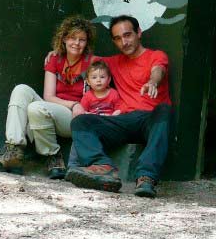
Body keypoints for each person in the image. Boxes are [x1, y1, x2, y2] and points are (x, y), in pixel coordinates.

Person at [66, 14, 172, 198]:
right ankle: (103, 168)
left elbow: (158, 70)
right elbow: (78, 57)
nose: (124, 42)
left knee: (165, 110)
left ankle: (146, 177)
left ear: (139, 33)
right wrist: (57, 52)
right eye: (117, 38)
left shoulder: (156, 55)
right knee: (81, 121)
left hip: (151, 118)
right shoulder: (112, 63)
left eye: (127, 35)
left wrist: (153, 82)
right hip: (124, 119)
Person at [0, 15, 96, 179]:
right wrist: (72, 103)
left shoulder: (93, 62)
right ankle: (14, 150)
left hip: (75, 117)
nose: (77, 43)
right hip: (57, 108)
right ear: (64, 38)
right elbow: (48, 96)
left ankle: (54, 157)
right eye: (72, 38)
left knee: (36, 108)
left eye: (82, 39)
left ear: (87, 43)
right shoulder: (54, 59)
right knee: (21, 89)